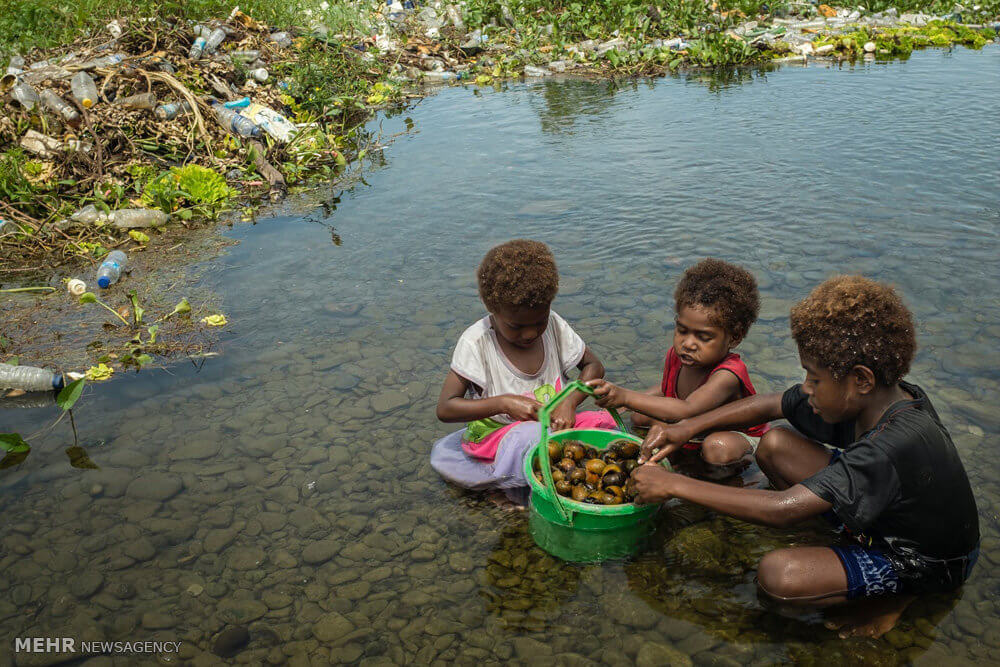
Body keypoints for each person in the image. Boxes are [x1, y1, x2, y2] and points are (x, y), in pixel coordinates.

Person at [631, 276, 980, 638]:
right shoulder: (883, 398)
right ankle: (841, 552)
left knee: (779, 576)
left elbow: (781, 509)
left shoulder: (889, 446)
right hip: (887, 516)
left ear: (860, 379)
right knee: (775, 445)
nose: (806, 390)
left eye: (814, 379)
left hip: (926, 561)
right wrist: (687, 427)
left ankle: (902, 595)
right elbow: (772, 403)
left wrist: (675, 484)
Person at [430, 239, 617, 502]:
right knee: (528, 437)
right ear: (491, 309)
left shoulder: (553, 325)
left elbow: (594, 366)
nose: (530, 333)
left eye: (538, 322)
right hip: (498, 437)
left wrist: (569, 402)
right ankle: (508, 493)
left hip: (553, 426)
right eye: (516, 326)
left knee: (605, 424)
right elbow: (446, 408)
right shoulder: (476, 342)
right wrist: (503, 403)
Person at [587, 258, 767, 470]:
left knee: (716, 448)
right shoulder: (677, 355)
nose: (688, 344)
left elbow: (686, 409)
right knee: (638, 416)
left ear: (734, 338)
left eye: (704, 337)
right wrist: (628, 401)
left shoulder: (727, 375)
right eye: (682, 330)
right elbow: (668, 390)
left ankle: (746, 476)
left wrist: (625, 395)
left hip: (733, 435)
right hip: (690, 425)